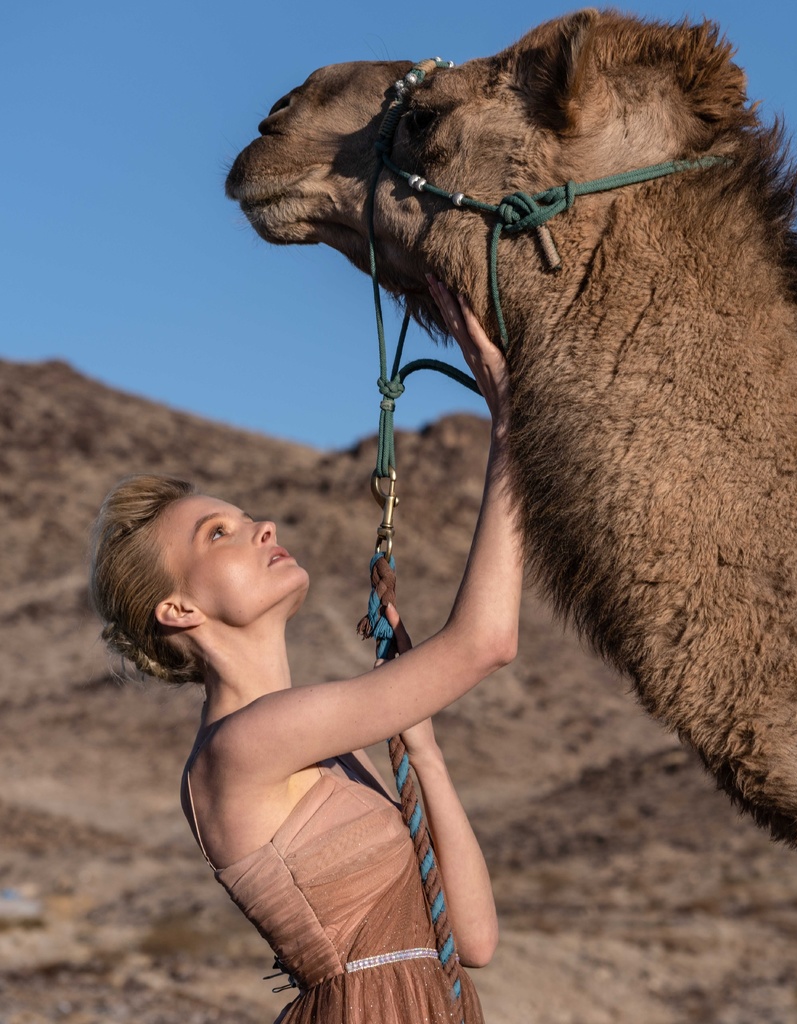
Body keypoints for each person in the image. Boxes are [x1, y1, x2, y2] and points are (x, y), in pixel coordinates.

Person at [87, 279, 516, 1023]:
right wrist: (512, 424)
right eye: (216, 533)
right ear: (178, 608)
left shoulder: (320, 749)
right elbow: (486, 643)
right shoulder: (244, 744)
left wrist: (424, 751)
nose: (262, 526)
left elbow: (471, 939)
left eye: (247, 516)